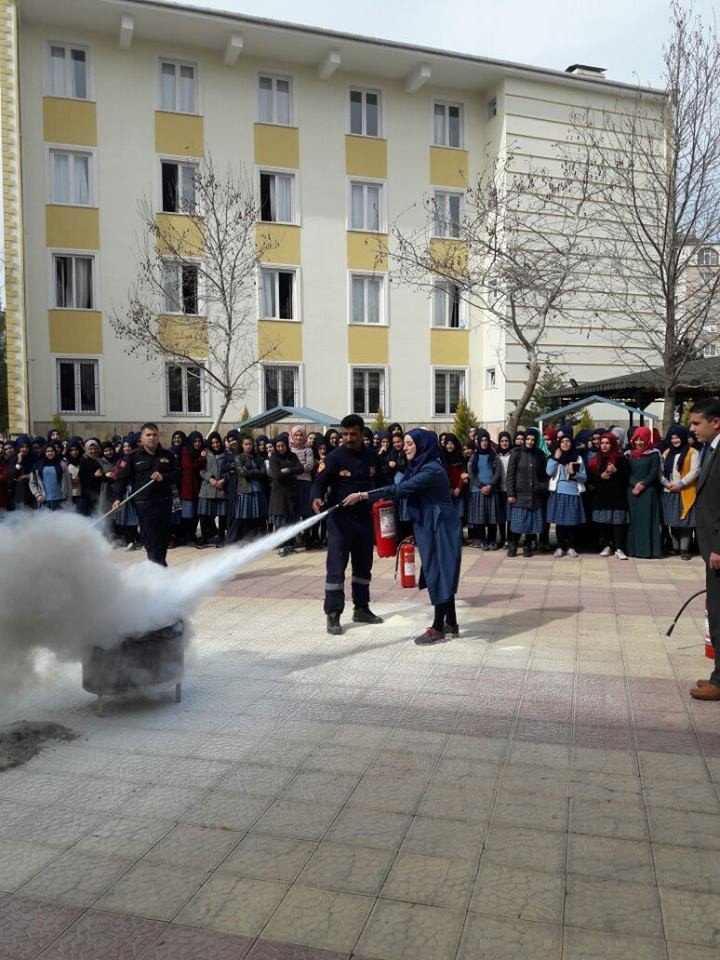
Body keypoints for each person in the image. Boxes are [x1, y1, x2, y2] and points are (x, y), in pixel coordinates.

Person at [343, 429, 462, 645]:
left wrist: (364, 496)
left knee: (439, 571)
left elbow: (401, 489)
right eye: (405, 443)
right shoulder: (420, 466)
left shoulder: (431, 470)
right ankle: (451, 623)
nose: (405, 448)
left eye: (409, 443)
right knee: (438, 569)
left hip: (440, 525)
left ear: (422, 445)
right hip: (430, 523)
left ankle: (438, 628)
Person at [311, 414, 384, 635]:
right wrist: (316, 498)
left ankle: (361, 608)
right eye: (344, 434)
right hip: (340, 522)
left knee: (363, 567)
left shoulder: (372, 457)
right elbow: (318, 484)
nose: (348, 438)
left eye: (353, 434)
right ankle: (333, 613)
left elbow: (383, 484)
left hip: (364, 521)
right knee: (336, 568)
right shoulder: (334, 458)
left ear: (362, 433)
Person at [112, 423, 180, 566]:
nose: (152, 438)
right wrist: (117, 498)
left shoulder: (168, 455)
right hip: (144, 503)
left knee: (164, 538)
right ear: (141, 438)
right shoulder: (132, 457)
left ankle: (159, 565)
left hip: (164, 501)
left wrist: (164, 477)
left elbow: (178, 474)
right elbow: (121, 480)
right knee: (151, 538)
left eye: (154, 435)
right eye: (148, 435)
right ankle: (158, 569)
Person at [689, 399, 720, 700]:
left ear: (716, 422)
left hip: (718, 549)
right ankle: (717, 675)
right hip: (710, 545)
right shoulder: (709, 449)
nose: (692, 428)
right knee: (716, 611)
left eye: (697, 423)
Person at [506, 428, 548, 557]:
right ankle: (513, 544)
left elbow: (544, 475)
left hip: (535, 495)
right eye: (528, 439)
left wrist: (542, 486)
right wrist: (511, 493)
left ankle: (527, 545)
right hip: (520, 495)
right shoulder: (516, 453)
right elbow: (510, 475)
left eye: (533, 440)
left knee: (531, 524)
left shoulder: (540, 454)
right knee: (518, 523)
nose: (530, 442)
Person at [588, 432, 630, 558]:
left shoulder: (620, 459)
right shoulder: (596, 459)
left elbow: (627, 477)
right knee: (604, 522)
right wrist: (600, 476)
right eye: (602, 443)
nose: (604, 446)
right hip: (602, 496)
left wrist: (616, 471)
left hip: (617, 495)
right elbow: (590, 479)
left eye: (607, 443)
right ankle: (607, 546)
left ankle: (618, 548)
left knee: (618, 522)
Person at [661, 425, 699, 560]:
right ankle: (675, 547)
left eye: (677, 437)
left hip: (686, 490)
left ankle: (685, 549)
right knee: (673, 521)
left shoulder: (692, 452)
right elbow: (660, 472)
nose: (675, 440)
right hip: (669, 490)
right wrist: (666, 483)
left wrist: (681, 484)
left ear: (683, 437)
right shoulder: (666, 453)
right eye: (672, 438)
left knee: (686, 522)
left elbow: (695, 471)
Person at [546, 430, 587, 558]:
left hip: (573, 492)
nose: (565, 444)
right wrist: (556, 458)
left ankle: (571, 547)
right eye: (562, 442)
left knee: (571, 523)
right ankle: (560, 546)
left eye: (567, 441)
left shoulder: (578, 458)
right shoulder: (555, 457)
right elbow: (548, 472)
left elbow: (584, 477)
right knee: (560, 523)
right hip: (558, 492)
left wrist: (574, 473)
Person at [625, 426, 662, 559]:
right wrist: (635, 484)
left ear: (647, 440)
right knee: (633, 521)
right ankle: (633, 550)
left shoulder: (654, 454)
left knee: (647, 521)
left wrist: (643, 485)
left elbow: (654, 473)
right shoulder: (629, 455)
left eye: (642, 440)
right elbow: (627, 473)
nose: (639, 442)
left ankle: (647, 551)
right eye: (637, 440)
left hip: (647, 492)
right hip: (632, 492)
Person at [268, 433, 303, 557]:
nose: (281, 448)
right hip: (279, 494)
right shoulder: (274, 457)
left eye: (283, 446)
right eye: (278, 446)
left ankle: (290, 544)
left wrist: (288, 470)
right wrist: (290, 470)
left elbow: (301, 469)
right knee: (281, 520)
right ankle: (281, 544)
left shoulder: (292, 456)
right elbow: (276, 475)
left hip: (291, 492)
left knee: (291, 519)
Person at [468, 430, 501, 550]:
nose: (484, 443)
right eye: (482, 440)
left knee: (492, 519)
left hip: (492, 490)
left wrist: (490, 485)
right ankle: (483, 540)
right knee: (480, 518)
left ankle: (492, 540)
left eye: (486, 440)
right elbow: (471, 474)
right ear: (478, 442)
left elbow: (498, 472)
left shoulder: (494, 455)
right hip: (478, 491)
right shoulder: (474, 456)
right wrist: (481, 486)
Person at [29, 444, 71, 510]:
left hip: (60, 499)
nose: (50, 453)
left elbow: (68, 482)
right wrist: (37, 494)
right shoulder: (37, 465)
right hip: (44, 499)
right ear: (44, 452)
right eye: (47, 451)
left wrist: (69, 497)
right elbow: (32, 482)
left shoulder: (62, 464)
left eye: (52, 451)